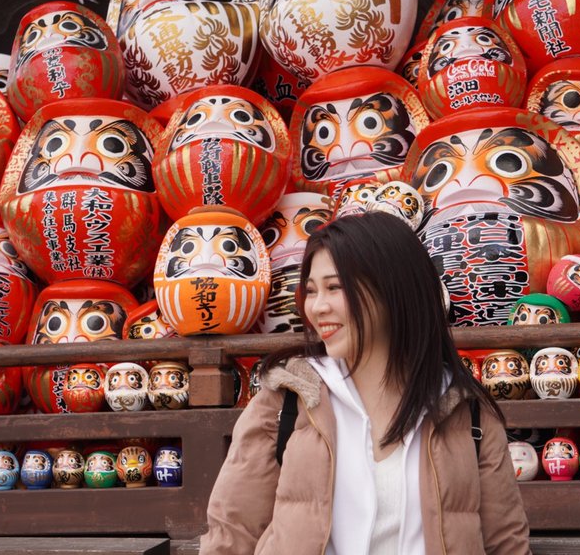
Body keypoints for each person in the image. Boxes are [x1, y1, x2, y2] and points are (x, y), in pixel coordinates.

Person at [200, 212, 531, 555]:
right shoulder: (285, 402)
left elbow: (506, 543)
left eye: (334, 287)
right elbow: (231, 534)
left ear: (391, 288)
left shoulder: (468, 411)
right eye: (311, 291)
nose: (317, 307)